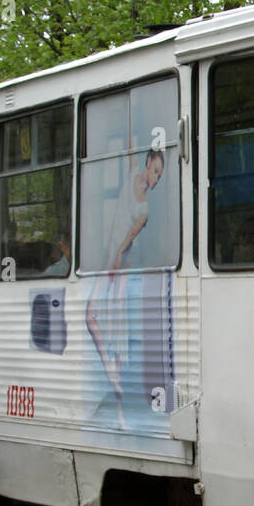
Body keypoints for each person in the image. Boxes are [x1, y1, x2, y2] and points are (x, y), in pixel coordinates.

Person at [85, 148, 165, 416]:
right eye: (155, 171)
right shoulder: (132, 172)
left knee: (112, 329)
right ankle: (113, 379)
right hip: (110, 258)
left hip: (118, 263)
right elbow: (131, 146)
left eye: (159, 176)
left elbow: (128, 239)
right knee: (96, 318)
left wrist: (116, 258)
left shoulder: (144, 209)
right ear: (147, 162)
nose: (155, 179)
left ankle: (119, 409)